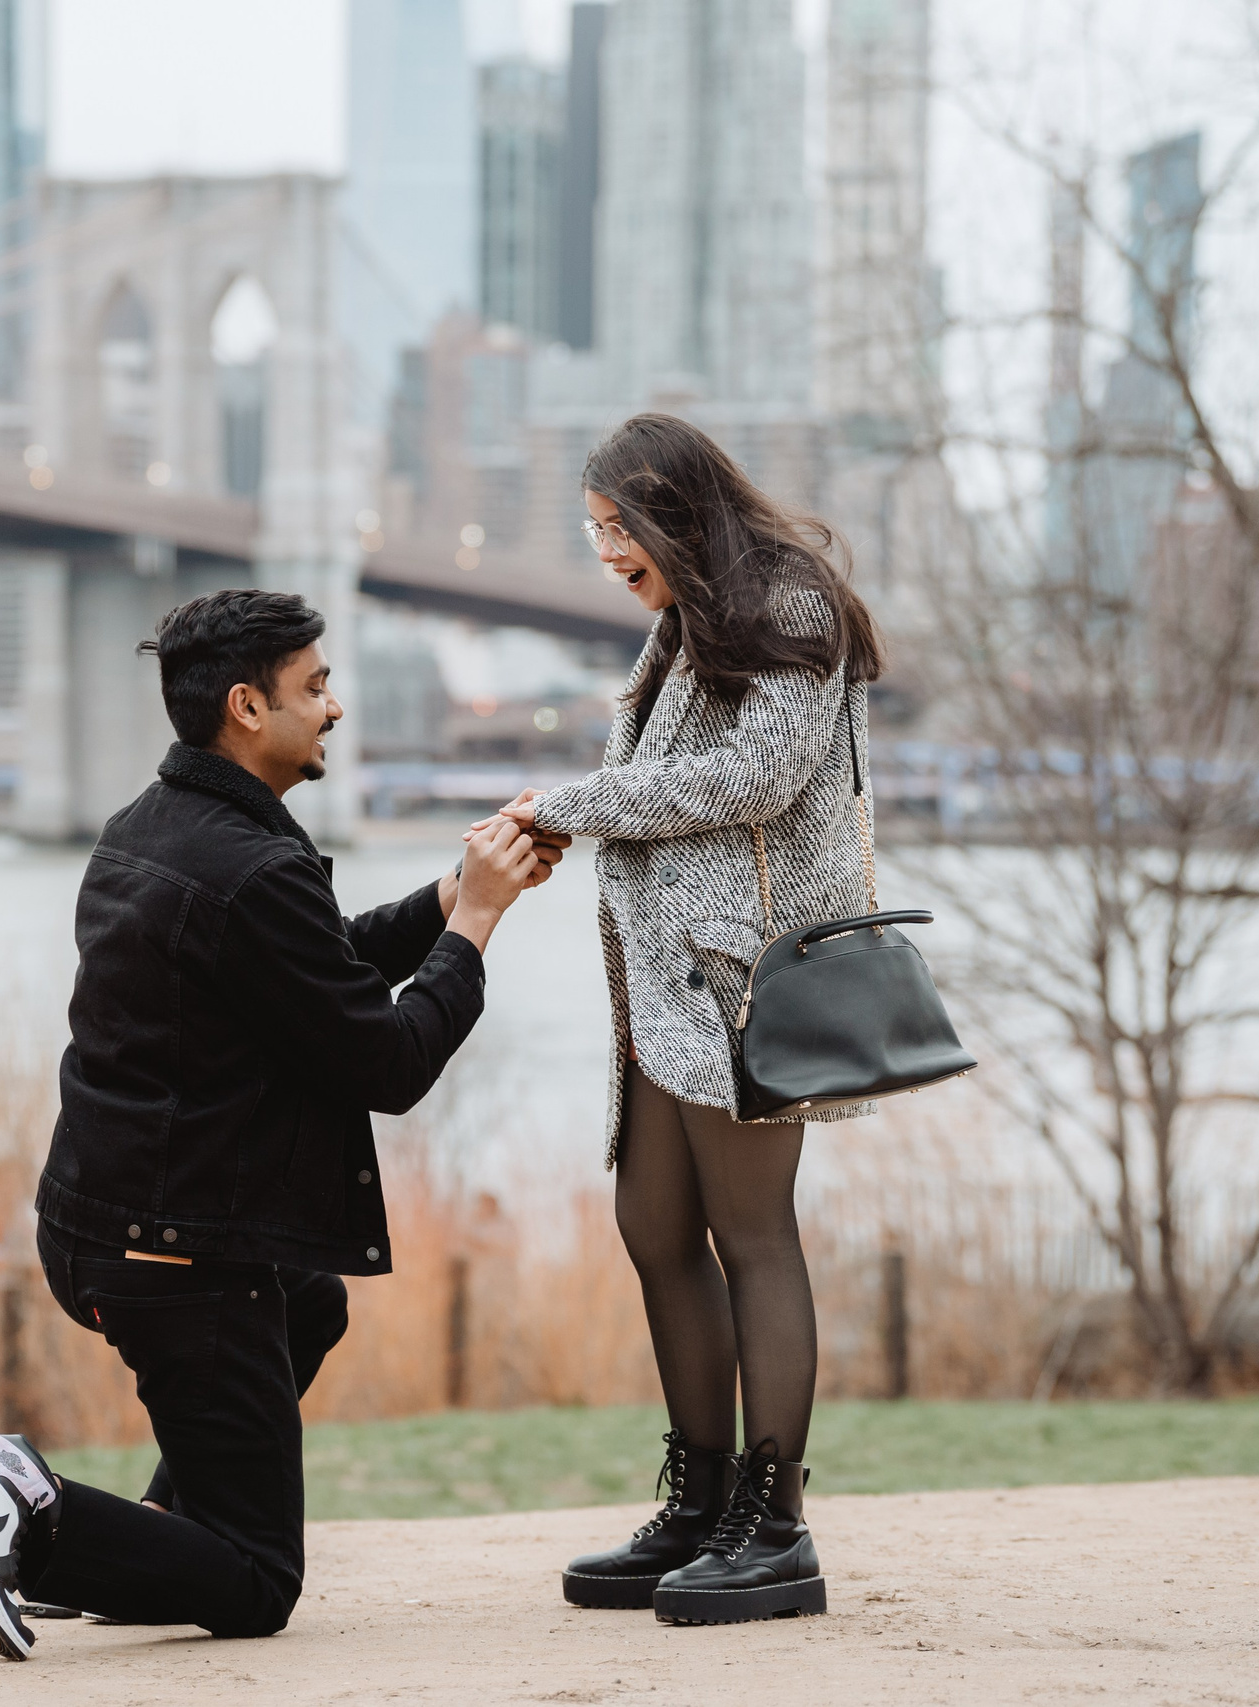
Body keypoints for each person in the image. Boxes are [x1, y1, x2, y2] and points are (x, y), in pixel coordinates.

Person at [0, 587, 554, 1661]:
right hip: (178, 1256)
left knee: (307, 1307)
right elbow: (387, 1063)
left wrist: (451, 892)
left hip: (100, 1224)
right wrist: (480, 925)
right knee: (257, 1585)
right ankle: (23, 1505)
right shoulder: (250, 866)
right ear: (249, 708)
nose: (335, 708)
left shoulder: (155, 829)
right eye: (316, 687)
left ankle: (148, 1540)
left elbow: (314, 963)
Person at [481, 413, 884, 1626]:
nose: (606, 551)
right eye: (596, 530)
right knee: (654, 1223)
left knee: (752, 1234)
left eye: (618, 527)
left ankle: (777, 1527)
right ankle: (702, 1502)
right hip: (665, 975)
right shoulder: (689, 620)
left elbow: (751, 781)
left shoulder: (793, 609)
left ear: (677, 511)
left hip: (749, 976)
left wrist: (574, 801)